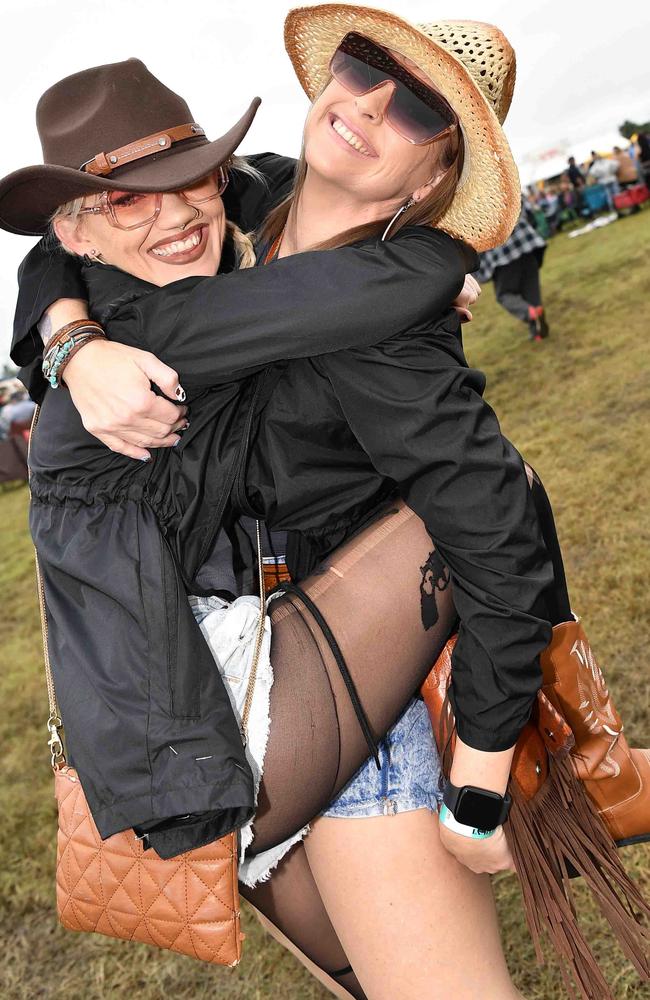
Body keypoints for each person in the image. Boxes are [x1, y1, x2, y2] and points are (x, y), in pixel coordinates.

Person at [5, 8, 646, 999]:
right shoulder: (214, 234)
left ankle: (562, 773)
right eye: (361, 66)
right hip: (216, 708)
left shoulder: (362, 294)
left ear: (433, 177)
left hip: (315, 698)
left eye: (420, 106)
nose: (173, 214)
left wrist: (476, 780)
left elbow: (492, 522)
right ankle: (589, 775)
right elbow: (65, 249)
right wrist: (67, 340)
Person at [476, 195, 549, 342]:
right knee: (531, 291)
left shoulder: (470, 202)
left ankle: (529, 313)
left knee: (504, 294)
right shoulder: (506, 182)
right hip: (526, 243)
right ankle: (538, 332)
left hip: (502, 257)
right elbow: (528, 210)